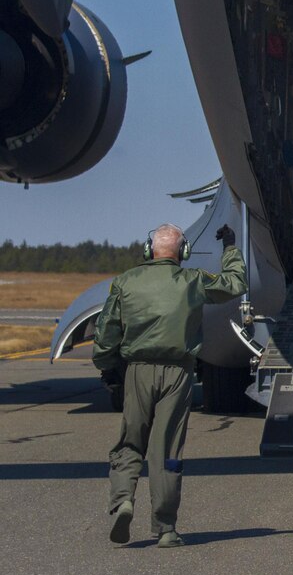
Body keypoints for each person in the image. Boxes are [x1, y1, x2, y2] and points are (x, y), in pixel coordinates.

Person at [93, 222, 248, 547]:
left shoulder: (126, 281)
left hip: (138, 370)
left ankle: (123, 499)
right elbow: (235, 284)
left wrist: (108, 368)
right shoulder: (192, 281)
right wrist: (230, 248)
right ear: (184, 253)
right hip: (178, 373)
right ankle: (165, 529)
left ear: (149, 251)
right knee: (166, 450)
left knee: (131, 441)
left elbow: (106, 330)